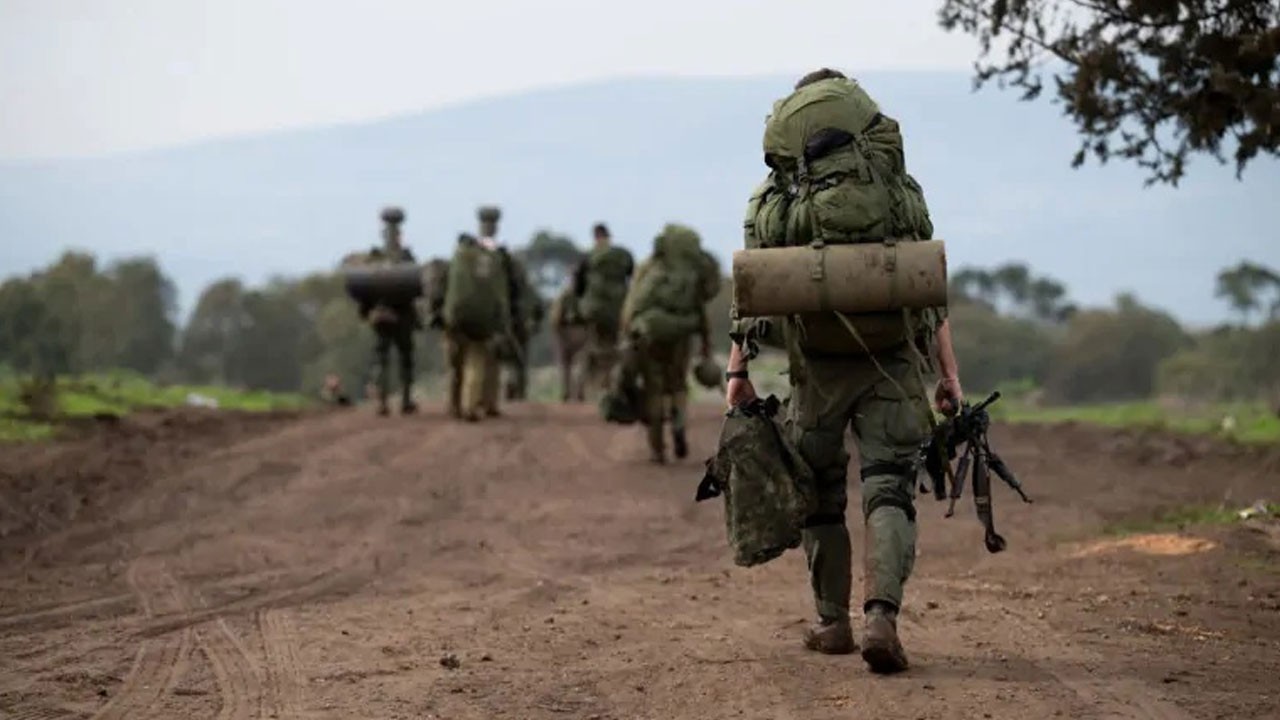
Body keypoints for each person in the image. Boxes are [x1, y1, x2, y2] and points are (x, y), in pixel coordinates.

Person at [725, 68, 964, 674]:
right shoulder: (898, 189)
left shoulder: (775, 199)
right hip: (893, 364)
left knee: (821, 495)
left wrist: (737, 373)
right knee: (889, 487)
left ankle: (832, 623)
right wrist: (948, 375)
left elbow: (750, 297)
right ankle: (881, 615)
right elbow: (928, 291)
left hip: (815, 372)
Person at [617, 223, 713, 464]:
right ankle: (679, 424)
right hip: (682, 335)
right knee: (679, 384)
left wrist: (628, 334)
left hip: (650, 338)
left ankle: (657, 449)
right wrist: (706, 343)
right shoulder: (689, 274)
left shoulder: (647, 270)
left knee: (655, 388)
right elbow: (700, 310)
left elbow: (632, 307)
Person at [358, 206, 420, 416]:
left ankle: (382, 402)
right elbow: (416, 288)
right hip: (403, 316)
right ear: (399, 234)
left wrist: (368, 313)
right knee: (405, 359)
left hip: (381, 316)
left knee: (381, 359)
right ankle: (406, 400)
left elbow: (364, 290)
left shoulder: (374, 258)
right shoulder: (407, 257)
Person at [575, 223, 635, 397]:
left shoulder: (588, 256)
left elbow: (578, 286)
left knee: (592, 346)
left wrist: (583, 304)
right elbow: (632, 276)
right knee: (617, 345)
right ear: (609, 236)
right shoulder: (623, 255)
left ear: (595, 237)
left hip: (594, 311)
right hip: (619, 309)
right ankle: (614, 386)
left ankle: (581, 388)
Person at [549, 285, 589, 402]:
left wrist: (557, 331)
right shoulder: (585, 295)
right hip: (581, 330)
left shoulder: (564, 296)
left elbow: (555, 317)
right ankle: (579, 391)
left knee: (565, 364)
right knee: (581, 363)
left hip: (565, 331)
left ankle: (565, 392)